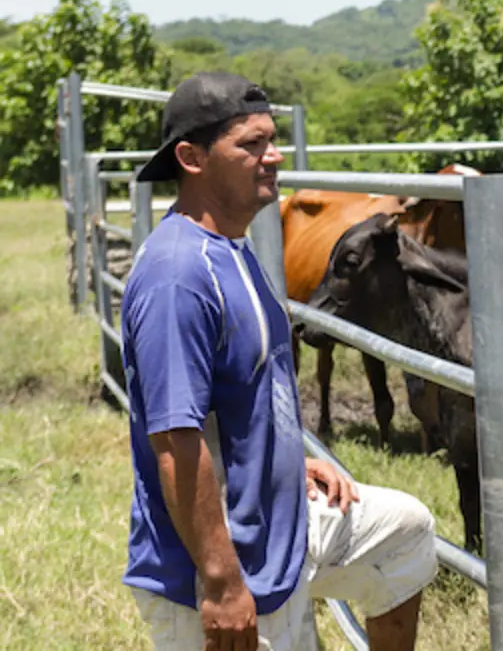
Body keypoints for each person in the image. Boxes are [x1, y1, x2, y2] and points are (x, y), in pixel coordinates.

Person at [120, 71, 438, 651]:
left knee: (406, 532)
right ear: (191, 158)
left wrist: (290, 457)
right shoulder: (178, 276)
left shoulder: (232, 249)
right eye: (251, 144)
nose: (274, 156)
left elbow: (251, 385)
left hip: (280, 523)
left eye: (271, 140)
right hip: (219, 563)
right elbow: (175, 442)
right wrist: (220, 583)